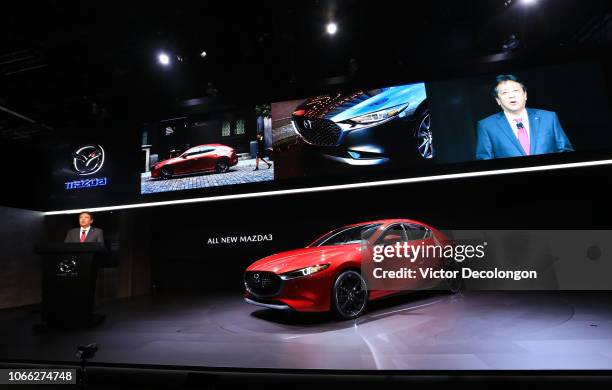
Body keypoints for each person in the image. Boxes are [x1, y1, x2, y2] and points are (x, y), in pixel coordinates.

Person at [475, 74, 574, 160]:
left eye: (515, 90)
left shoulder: (548, 117)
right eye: (505, 92)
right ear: (498, 100)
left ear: (525, 95)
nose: (511, 95)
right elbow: (485, 160)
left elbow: (565, 150)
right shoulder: (487, 126)